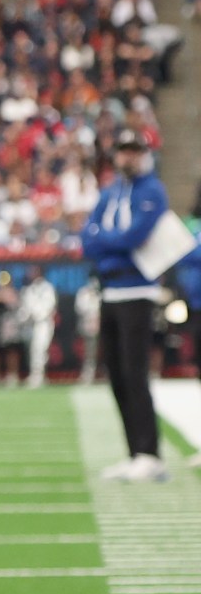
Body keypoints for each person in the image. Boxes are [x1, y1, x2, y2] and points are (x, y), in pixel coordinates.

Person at [82, 129, 174, 481]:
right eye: (122, 151)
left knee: (136, 374)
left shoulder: (152, 190)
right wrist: (110, 244)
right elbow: (86, 241)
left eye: (134, 151)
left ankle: (150, 452)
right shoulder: (111, 192)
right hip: (111, 290)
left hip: (137, 291)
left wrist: (106, 242)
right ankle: (135, 451)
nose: (127, 157)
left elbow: (135, 236)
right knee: (118, 375)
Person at [17, 268, 57, 388]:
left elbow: (49, 306)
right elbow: (25, 308)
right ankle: (34, 374)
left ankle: (39, 374)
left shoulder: (47, 288)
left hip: (43, 323)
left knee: (40, 349)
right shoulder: (28, 289)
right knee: (32, 350)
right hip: (30, 324)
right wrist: (23, 318)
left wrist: (38, 314)